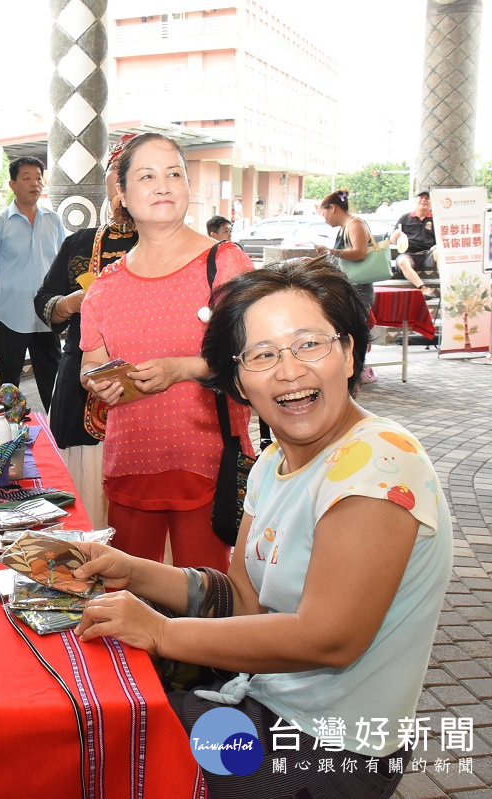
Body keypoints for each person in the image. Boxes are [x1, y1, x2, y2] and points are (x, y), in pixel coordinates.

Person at [74, 257, 451, 798]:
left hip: (327, 751)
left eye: (309, 345)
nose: (289, 370)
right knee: (108, 722)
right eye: (262, 355)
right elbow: (245, 600)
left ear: (347, 353)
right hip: (257, 707)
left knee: (118, 752)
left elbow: (329, 638)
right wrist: (135, 573)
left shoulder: (379, 462)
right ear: (238, 382)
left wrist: (160, 632)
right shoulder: (276, 463)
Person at [79, 132, 253, 571]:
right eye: (147, 175)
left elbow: (252, 356)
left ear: (189, 186)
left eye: (174, 173)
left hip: (207, 462)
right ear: (121, 193)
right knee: (129, 593)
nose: (163, 185)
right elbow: (91, 362)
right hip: (132, 462)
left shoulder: (225, 264)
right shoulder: (105, 286)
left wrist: (182, 368)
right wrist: (96, 381)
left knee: (207, 598)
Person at [33, 137, 138, 528]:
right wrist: (73, 302)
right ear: (111, 182)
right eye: (120, 172)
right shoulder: (80, 243)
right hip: (82, 382)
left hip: (152, 383)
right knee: (88, 487)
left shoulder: (170, 248)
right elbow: (44, 298)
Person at [0, 155, 65, 410]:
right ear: (12, 184)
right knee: (10, 381)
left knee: (53, 376)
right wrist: (7, 294)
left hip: (47, 313)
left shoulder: (53, 220)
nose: (34, 183)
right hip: (11, 314)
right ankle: (9, 428)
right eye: (27, 178)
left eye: (39, 178)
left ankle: (56, 429)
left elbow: (62, 263)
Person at [314, 189, 382, 384]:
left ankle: (355, 376)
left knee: (355, 334)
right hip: (352, 288)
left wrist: (331, 251)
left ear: (333, 208)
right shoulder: (346, 226)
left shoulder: (355, 223)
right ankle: (351, 377)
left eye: (324, 212)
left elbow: (359, 253)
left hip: (359, 289)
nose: (324, 218)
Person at [388, 190, 437, 296]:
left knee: (439, 253)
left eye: (427, 198)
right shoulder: (405, 218)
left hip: (427, 254)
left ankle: (447, 285)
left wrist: (437, 246)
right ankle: (422, 287)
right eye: (421, 198)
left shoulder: (435, 219)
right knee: (402, 262)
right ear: (416, 201)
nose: (424, 200)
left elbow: (442, 238)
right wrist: (395, 235)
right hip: (408, 254)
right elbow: (391, 240)